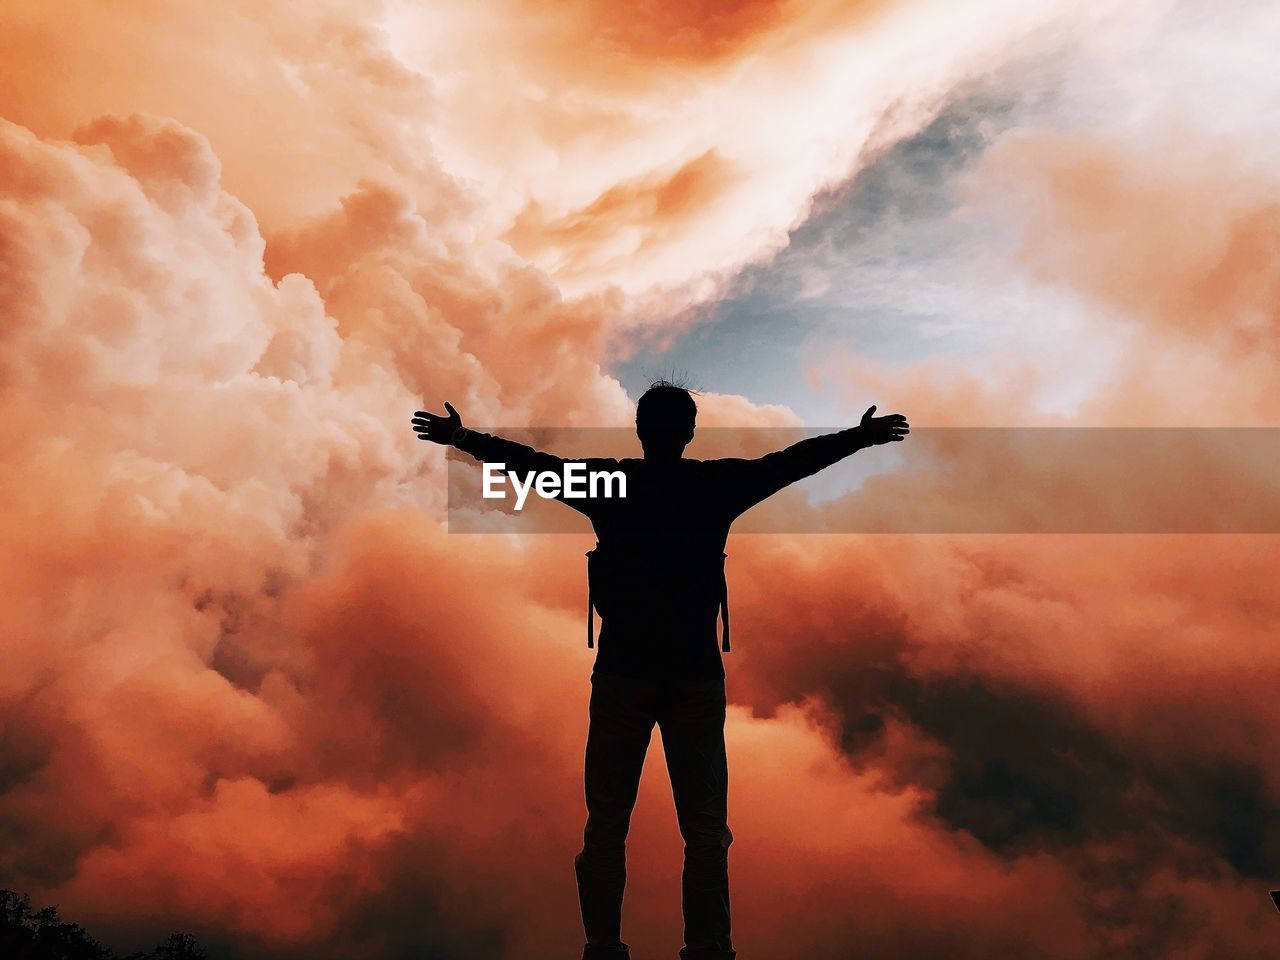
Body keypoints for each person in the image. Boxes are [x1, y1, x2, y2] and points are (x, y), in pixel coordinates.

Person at [412, 382, 909, 960]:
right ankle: (706, 949)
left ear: (642, 430)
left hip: (622, 674)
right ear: (690, 432)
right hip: (694, 678)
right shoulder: (715, 486)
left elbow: (530, 466)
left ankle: (602, 945)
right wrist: (858, 437)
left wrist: (462, 438)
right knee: (704, 831)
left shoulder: (611, 485)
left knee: (605, 827)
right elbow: (790, 465)